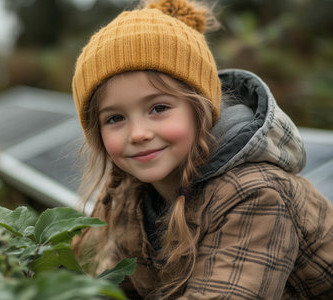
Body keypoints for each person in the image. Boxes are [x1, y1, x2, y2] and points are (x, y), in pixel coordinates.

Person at [70, 0, 333, 299]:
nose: (138, 134)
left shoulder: (255, 194)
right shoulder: (136, 195)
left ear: (201, 109)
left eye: (158, 108)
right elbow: (115, 289)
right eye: (115, 118)